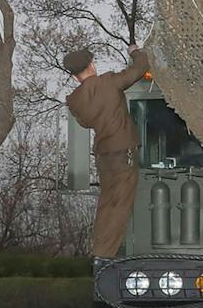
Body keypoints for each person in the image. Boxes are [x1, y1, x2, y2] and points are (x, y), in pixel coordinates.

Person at [64, 43, 150, 259]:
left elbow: (84, 123)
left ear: (75, 76)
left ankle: (98, 251)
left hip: (103, 156)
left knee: (106, 204)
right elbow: (141, 69)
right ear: (92, 65)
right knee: (121, 206)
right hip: (123, 152)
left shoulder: (74, 100)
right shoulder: (108, 82)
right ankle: (105, 256)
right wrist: (135, 53)